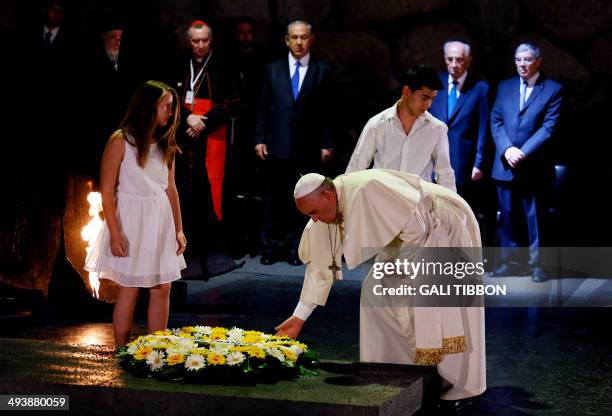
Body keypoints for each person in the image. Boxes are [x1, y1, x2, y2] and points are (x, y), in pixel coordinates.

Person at [275, 169, 486, 404]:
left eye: (313, 212)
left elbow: (417, 229)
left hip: (440, 223)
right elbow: (319, 268)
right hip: (404, 239)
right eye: (308, 215)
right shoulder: (322, 216)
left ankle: (456, 384)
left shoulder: (369, 188)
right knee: (376, 292)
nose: (313, 219)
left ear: (328, 195)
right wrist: (299, 318)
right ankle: (398, 368)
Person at [85, 80, 187, 347]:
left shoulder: (166, 144)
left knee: (162, 287)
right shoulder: (122, 140)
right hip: (131, 220)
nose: (170, 111)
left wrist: (178, 229)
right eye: (166, 106)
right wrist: (115, 233)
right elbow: (107, 190)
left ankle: (156, 349)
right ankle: (121, 347)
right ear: (149, 106)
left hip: (159, 219)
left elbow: (171, 188)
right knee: (130, 287)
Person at [255, 20, 334, 266]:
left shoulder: (323, 70)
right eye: (294, 37)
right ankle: (270, 247)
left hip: (307, 146)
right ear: (286, 40)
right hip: (277, 144)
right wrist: (259, 138)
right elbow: (262, 107)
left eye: (303, 37)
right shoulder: (273, 69)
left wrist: (327, 143)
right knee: (274, 198)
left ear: (311, 39)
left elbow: (329, 111)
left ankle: (295, 248)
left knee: (303, 199)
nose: (299, 42)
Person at [172, 20, 240, 277]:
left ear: (211, 40)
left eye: (204, 41)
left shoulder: (223, 64)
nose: (200, 46)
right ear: (188, 42)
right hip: (183, 138)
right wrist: (187, 117)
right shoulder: (179, 63)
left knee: (209, 193)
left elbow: (233, 102)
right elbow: (170, 97)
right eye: (195, 41)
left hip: (212, 137)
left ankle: (211, 253)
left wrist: (203, 122)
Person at [490, 43, 563, 282]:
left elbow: (548, 127)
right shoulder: (505, 86)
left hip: (534, 167)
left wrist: (523, 152)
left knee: (536, 219)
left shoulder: (553, 89)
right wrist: (507, 148)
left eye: (528, 59)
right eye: (518, 59)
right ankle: (509, 263)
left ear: (538, 61)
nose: (522, 64)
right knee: (508, 216)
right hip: (505, 163)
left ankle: (538, 265)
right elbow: (496, 119)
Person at [346, 65, 456, 192]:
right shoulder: (377, 124)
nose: (428, 104)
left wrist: (453, 208)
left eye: (432, 99)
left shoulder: (437, 129)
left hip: (418, 207)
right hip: (382, 202)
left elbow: (445, 173)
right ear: (407, 92)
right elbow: (356, 166)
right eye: (424, 98)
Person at [429, 41, 496, 246]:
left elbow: (484, 129)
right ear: (445, 59)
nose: (454, 64)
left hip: (464, 163)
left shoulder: (481, 88)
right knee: (436, 215)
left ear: (468, 60)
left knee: (463, 214)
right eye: (450, 59)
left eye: (459, 59)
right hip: (435, 162)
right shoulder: (435, 84)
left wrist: (479, 162)